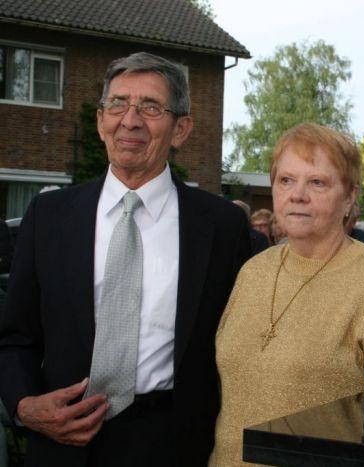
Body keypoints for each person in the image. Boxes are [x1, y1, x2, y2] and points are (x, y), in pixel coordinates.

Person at [0, 52, 250, 467]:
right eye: (118, 103)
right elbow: (14, 338)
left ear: (181, 129)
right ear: (101, 121)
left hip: (175, 446)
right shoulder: (49, 217)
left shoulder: (221, 227)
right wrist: (25, 405)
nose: (130, 120)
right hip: (62, 446)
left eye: (151, 107)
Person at [209, 123, 364, 466]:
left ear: (350, 196)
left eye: (317, 182)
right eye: (286, 180)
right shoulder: (254, 271)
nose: (297, 195)